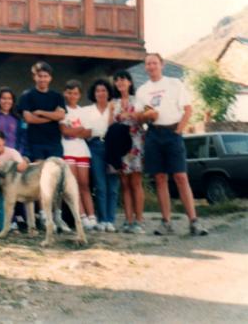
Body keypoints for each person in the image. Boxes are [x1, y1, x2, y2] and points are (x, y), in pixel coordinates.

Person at [136, 53, 208, 236]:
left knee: (180, 176)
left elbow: (188, 109)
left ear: (162, 65)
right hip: (153, 134)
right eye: (148, 64)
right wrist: (146, 116)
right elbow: (139, 116)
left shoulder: (174, 84)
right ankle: (166, 222)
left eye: (154, 63)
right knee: (160, 178)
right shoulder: (142, 90)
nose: (151, 66)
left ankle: (194, 221)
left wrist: (178, 130)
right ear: (145, 67)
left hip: (172, 133)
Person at [17, 61, 69, 231]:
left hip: (54, 143)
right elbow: (29, 119)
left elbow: (61, 115)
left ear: (50, 78)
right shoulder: (27, 96)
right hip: (36, 143)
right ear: (35, 77)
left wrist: (40, 113)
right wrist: (51, 117)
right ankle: (44, 216)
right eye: (40, 76)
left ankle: (57, 216)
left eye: (45, 76)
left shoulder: (57, 96)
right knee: (41, 180)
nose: (42, 79)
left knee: (57, 180)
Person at [0, 87, 28, 229]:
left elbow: (23, 139)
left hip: (14, 159)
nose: (6, 101)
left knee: (18, 188)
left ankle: (20, 218)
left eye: (9, 98)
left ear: (13, 101)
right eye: (3, 98)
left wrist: (20, 157)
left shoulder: (19, 119)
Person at [60, 80, 97, 231]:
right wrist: (79, 130)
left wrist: (74, 131)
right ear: (65, 93)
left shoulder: (83, 111)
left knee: (84, 184)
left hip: (82, 151)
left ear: (79, 95)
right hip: (67, 150)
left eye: (75, 93)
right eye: (69, 93)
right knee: (73, 185)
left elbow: (89, 132)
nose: (72, 96)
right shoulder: (62, 110)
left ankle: (92, 216)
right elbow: (64, 131)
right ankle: (81, 217)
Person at [111, 70, 146, 234]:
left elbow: (143, 117)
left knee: (136, 182)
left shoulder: (138, 100)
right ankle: (128, 220)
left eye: (123, 79)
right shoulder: (113, 103)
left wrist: (129, 114)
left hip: (135, 142)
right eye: (117, 80)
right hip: (120, 144)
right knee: (124, 184)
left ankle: (139, 221)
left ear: (130, 82)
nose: (120, 82)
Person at [85, 78, 118, 232]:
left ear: (108, 92)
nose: (101, 93)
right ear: (94, 93)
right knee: (100, 185)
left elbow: (113, 128)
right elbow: (86, 130)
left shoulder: (115, 107)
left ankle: (110, 220)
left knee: (112, 185)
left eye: (104, 90)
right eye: (98, 90)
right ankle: (102, 219)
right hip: (95, 146)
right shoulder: (88, 110)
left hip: (112, 146)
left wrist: (111, 111)